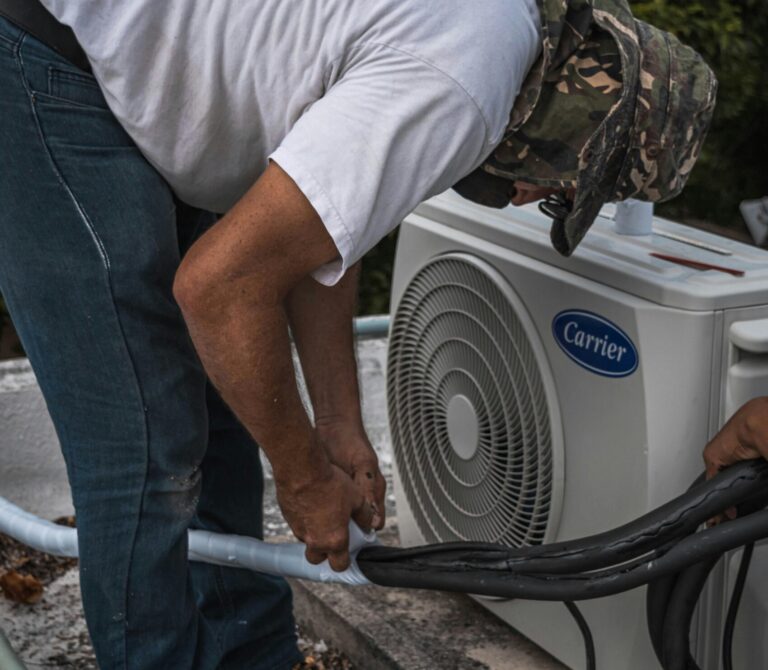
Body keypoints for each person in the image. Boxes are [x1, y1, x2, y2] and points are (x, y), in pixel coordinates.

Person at [0, 0, 730, 668]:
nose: (537, 196)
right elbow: (218, 288)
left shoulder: (487, 36)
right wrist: (304, 475)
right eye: (568, 182)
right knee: (148, 445)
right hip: (52, 44)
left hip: (125, 53)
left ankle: (253, 659)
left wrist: (339, 427)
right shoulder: (463, 84)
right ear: (576, 114)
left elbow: (321, 234)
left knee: (226, 405)